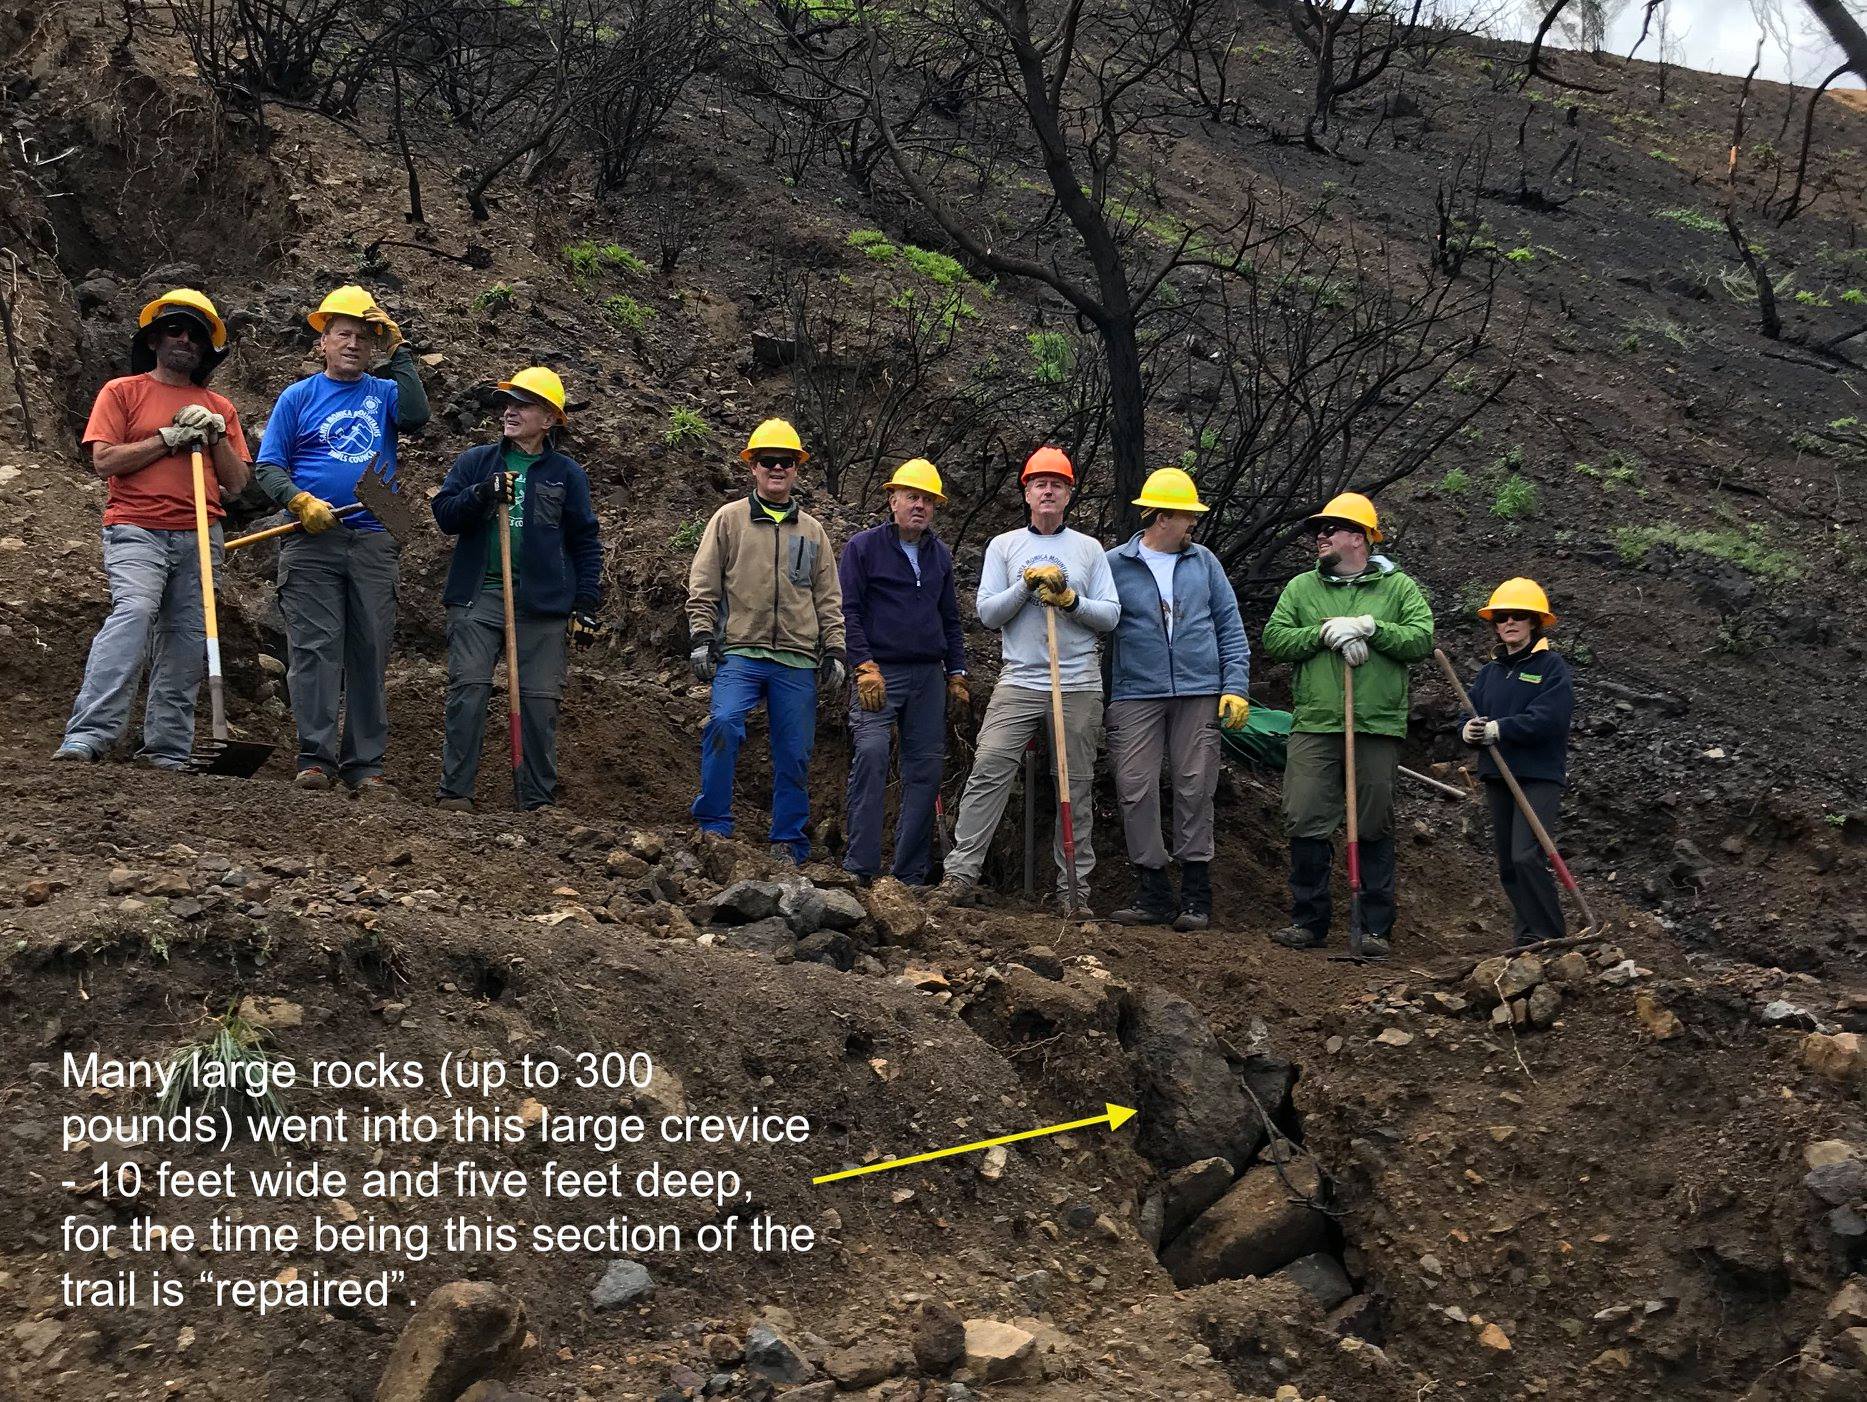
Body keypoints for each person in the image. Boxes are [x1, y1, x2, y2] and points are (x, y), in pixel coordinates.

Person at [55, 289, 252, 767]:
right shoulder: (122, 392)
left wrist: (215, 436)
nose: (185, 339)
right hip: (136, 527)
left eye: (196, 334)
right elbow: (104, 461)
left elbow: (238, 483)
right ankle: (90, 735)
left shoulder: (218, 406)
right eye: (174, 329)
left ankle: (167, 748)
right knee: (135, 613)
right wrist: (168, 439)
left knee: (186, 636)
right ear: (155, 338)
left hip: (201, 533)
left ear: (207, 348)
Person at [251, 285, 431, 795]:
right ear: (323, 342)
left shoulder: (384, 393)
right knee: (315, 649)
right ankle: (315, 759)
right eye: (343, 334)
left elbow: (418, 418)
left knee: (370, 651)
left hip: (375, 539)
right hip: (311, 544)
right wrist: (299, 502)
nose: (353, 344)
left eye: (365, 338)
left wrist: (402, 355)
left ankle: (365, 765)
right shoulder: (298, 396)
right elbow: (268, 466)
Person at [934, 447, 1118, 912]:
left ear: (1069, 493)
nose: (1049, 490)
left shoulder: (1089, 549)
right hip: (1019, 678)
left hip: (1076, 681)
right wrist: (1026, 585)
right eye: (1040, 483)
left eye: (1057, 483)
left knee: (1073, 783)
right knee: (990, 767)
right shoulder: (1004, 545)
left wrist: (1071, 599)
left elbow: (1111, 615)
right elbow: (988, 613)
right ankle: (960, 872)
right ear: (1027, 492)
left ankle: (1074, 890)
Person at [1260, 491, 1434, 957]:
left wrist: (1373, 629)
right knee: (1304, 815)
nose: (1320, 536)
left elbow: (1421, 638)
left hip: (1375, 723)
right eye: (1320, 529)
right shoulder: (1301, 589)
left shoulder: (1398, 590)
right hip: (1316, 721)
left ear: (1359, 538)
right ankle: (1309, 921)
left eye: (1330, 529)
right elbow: (1275, 638)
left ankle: (1375, 928)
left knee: (1373, 820)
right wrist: (1320, 633)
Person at [430, 367, 602, 812]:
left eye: (523, 404)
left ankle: (536, 800)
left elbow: (584, 541)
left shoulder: (567, 475)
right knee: (468, 688)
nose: (511, 410)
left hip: (541, 602)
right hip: (478, 593)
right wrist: (482, 493)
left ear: (549, 419)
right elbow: (445, 514)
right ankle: (455, 794)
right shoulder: (477, 462)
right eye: (509, 402)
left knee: (539, 702)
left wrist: (585, 604)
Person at [686, 419, 846, 864]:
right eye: (768, 461)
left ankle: (788, 840)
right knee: (723, 724)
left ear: (796, 470)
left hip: (796, 659)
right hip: (740, 651)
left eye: (786, 462)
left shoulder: (813, 532)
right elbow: (703, 584)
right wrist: (702, 636)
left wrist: (834, 649)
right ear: (752, 467)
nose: (777, 468)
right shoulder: (728, 521)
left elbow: (828, 597)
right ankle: (713, 824)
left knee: (794, 751)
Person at [1103, 468, 1251, 931]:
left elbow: (1229, 626)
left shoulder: (1204, 562)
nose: (1193, 524)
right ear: (1162, 516)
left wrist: (1235, 686)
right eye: (1187, 516)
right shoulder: (1114, 564)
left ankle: (1196, 894)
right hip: (1134, 691)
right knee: (1135, 787)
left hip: (1199, 689)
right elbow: (1096, 623)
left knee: (1195, 785)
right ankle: (1152, 891)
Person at [838, 458, 968, 887]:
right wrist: (863, 665)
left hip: (928, 675)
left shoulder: (940, 555)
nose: (920, 506)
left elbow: (950, 617)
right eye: (912, 497)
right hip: (879, 673)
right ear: (892, 500)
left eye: (928, 500)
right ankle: (860, 867)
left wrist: (957, 672)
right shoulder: (863, 548)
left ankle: (909, 872)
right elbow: (849, 611)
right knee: (872, 755)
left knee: (926, 769)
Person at [1458, 578, 1575, 947]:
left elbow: (1549, 718)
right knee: (1508, 863)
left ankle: (1550, 934)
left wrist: (1500, 729)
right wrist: (1468, 731)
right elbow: (1469, 713)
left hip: (1538, 774)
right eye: (1501, 617)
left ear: (1534, 622)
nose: (1509, 623)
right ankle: (1527, 937)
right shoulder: (1490, 672)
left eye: (1518, 616)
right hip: (1498, 775)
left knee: (1527, 855)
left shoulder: (1551, 667)